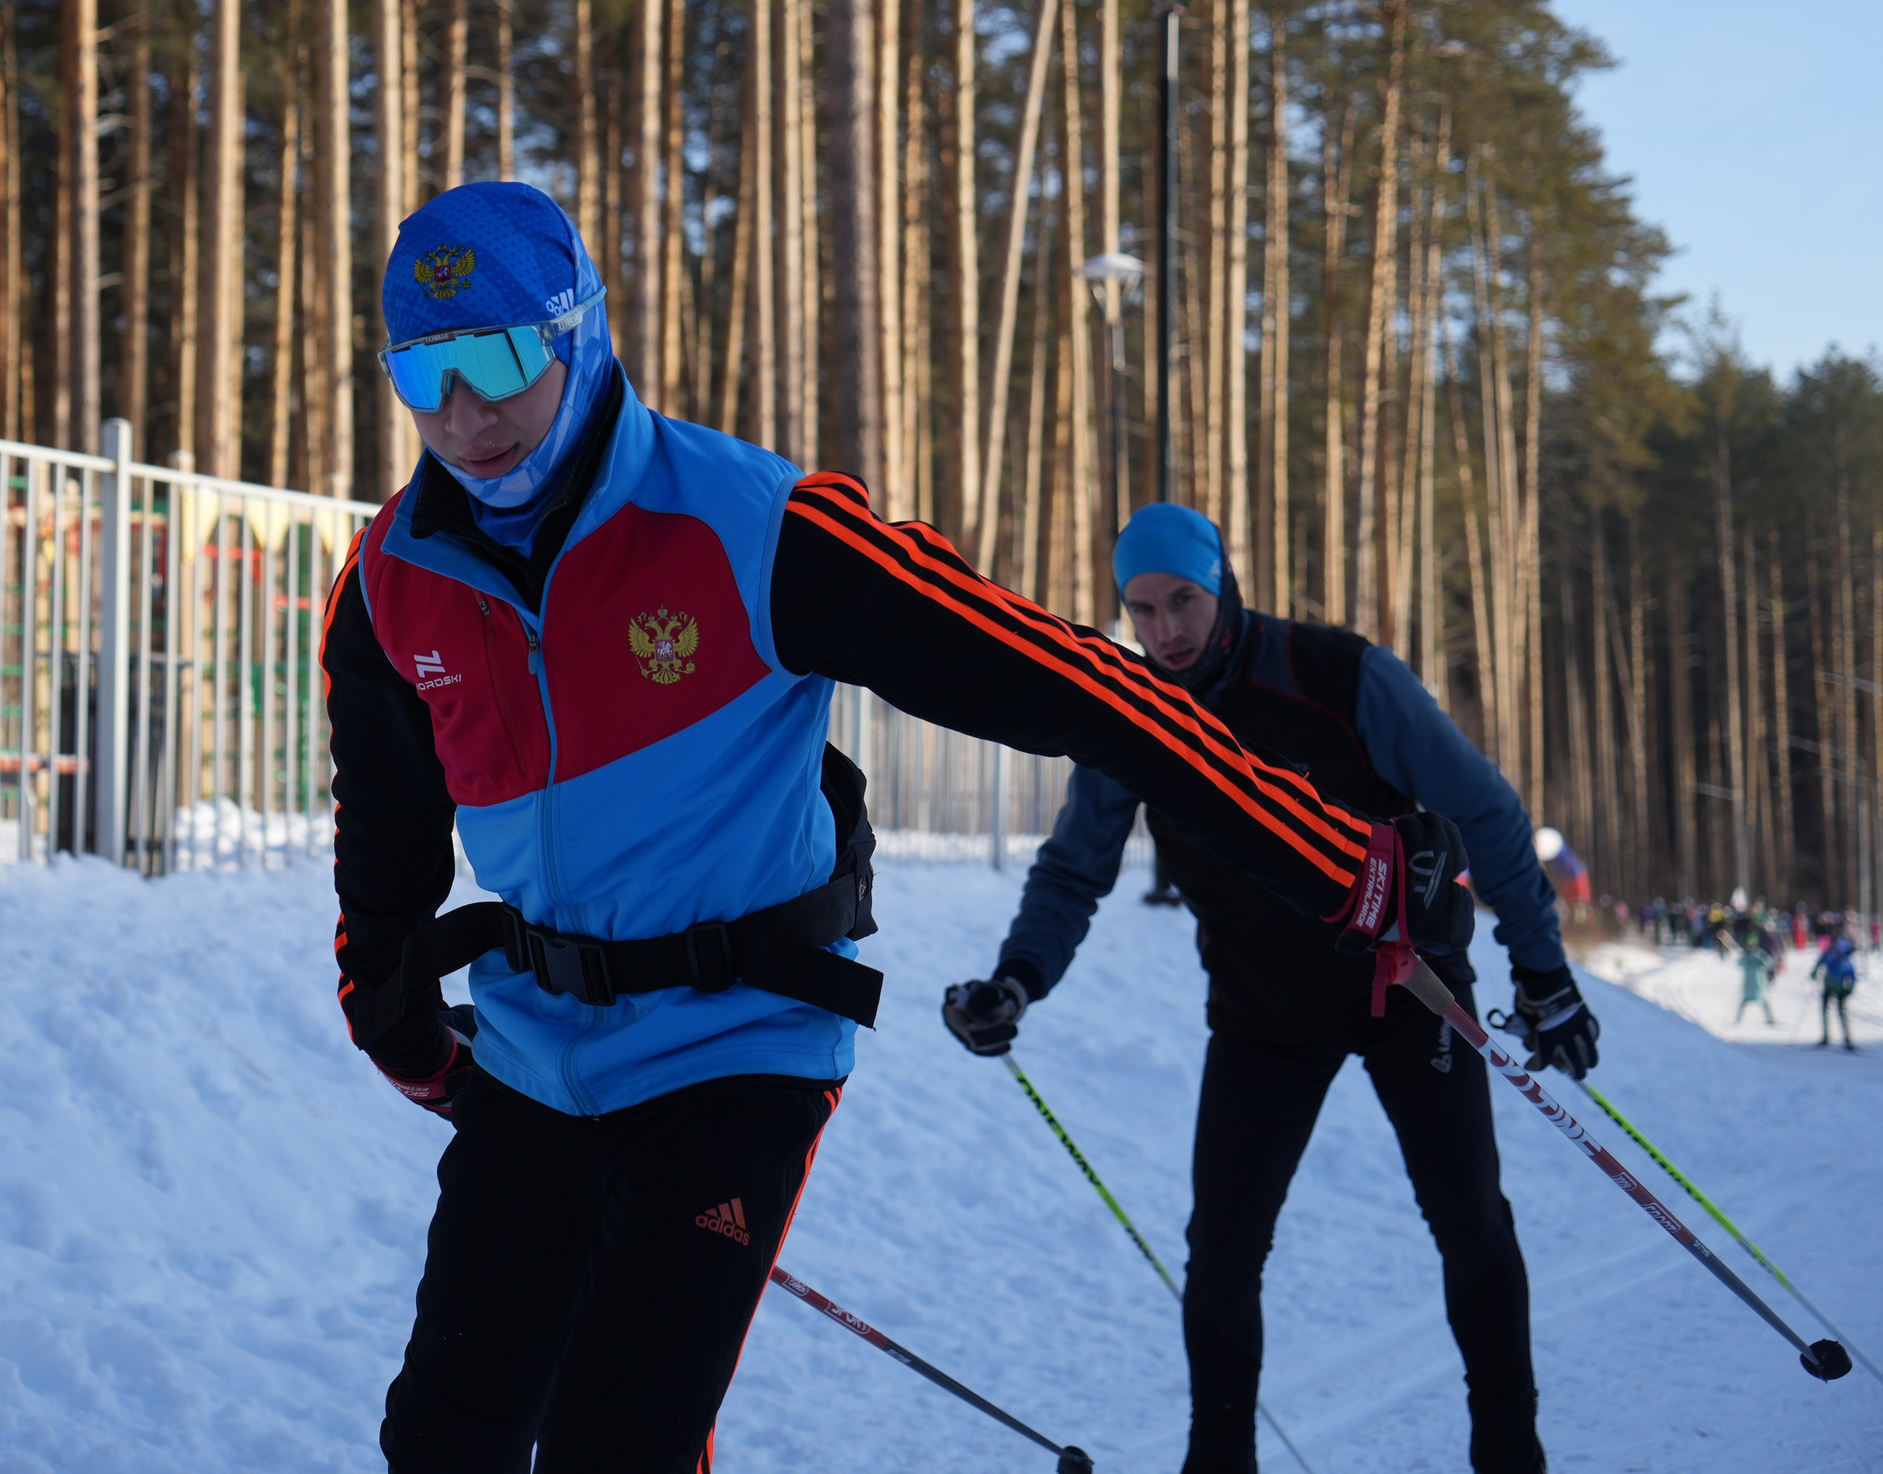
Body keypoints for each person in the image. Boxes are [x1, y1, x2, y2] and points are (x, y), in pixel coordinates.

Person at [324, 185, 1468, 1474]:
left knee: (616, 1446)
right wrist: (406, 1037)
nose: (467, 419)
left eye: (500, 360)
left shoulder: (758, 526)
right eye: (425, 376)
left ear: (579, 336)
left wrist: (1340, 864)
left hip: (731, 1045)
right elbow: (385, 856)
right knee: (442, 1439)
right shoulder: (387, 588)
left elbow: (1082, 688)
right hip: (535, 1054)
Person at [943, 503, 1595, 1474]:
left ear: (1223, 584)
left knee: (1469, 1218)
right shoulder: (1132, 709)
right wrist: (1017, 978)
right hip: (1260, 1012)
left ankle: (1508, 1450)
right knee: (1222, 1250)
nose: (1164, 630)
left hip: (1404, 986)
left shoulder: (1337, 674)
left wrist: (1541, 972)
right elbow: (1074, 869)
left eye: (1183, 601)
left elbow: (1486, 811)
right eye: (1141, 609)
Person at [1815, 933, 1857, 1049]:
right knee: (1827, 1011)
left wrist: (1849, 990)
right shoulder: (1833, 956)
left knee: (1839, 1013)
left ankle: (1845, 1038)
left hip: (1838, 989)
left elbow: (1853, 977)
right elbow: (1820, 963)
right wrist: (1814, 974)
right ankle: (1828, 1036)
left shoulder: (1845, 962)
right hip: (1830, 987)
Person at [1736, 938, 1778, 1027]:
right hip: (1749, 984)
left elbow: (1769, 962)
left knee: (1764, 1002)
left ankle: (1770, 1019)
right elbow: (1739, 963)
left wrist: (1759, 956)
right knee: (1744, 1002)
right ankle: (1738, 1019)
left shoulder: (1760, 953)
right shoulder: (1745, 955)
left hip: (1759, 983)